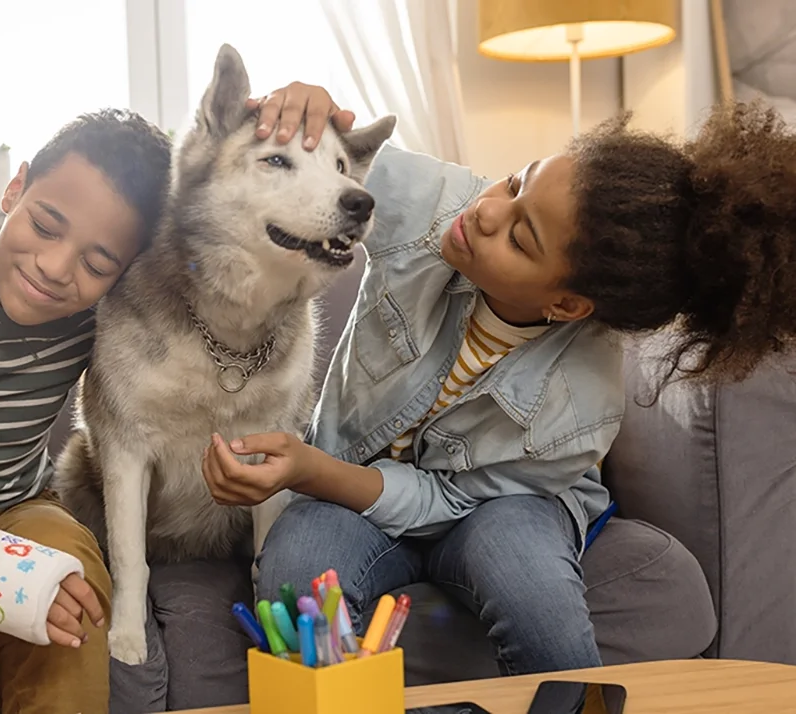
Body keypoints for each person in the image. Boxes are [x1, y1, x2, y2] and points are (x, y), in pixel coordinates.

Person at [203, 85, 796, 676]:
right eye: (515, 183)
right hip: (350, 489)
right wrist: (301, 110)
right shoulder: (438, 210)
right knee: (300, 571)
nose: (486, 211)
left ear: (566, 305)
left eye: (519, 237)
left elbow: (452, 502)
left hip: (500, 506)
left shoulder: (582, 407)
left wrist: (311, 469)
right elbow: (319, 174)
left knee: (525, 574)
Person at [0, 95, 354, 713]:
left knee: (72, 589)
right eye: (45, 224)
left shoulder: (104, 312)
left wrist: (297, 111)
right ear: (16, 187)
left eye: (97, 262)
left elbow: (230, 235)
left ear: (128, 271)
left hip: (11, 512)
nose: (56, 269)